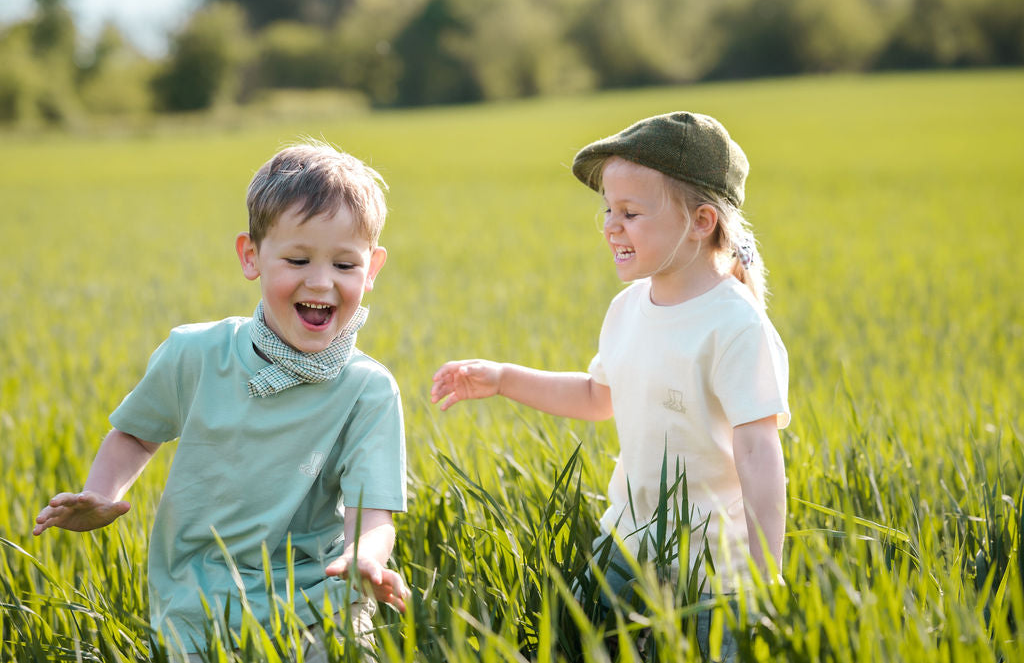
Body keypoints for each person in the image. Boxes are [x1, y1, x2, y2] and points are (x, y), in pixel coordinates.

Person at [431, 112, 789, 659]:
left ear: (701, 221)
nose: (610, 226)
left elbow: (759, 450)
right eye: (608, 211)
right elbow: (599, 397)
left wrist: (769, 570)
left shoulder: (735, 325)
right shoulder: (628, 308)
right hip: (627, 537)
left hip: (713, 561)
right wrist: (503, 379)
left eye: (631, 212)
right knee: (570, 641)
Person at [34, 141, 410, 661]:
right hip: (198, 583)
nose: (321, 281)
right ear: (251, 256)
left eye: (345, 265)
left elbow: (373, 511)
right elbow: (137, 433)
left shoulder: (367, 389)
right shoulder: (195, 354)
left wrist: (364, 557)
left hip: (317, 583)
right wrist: (101, 492)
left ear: (372, 270)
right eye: (297, 258)